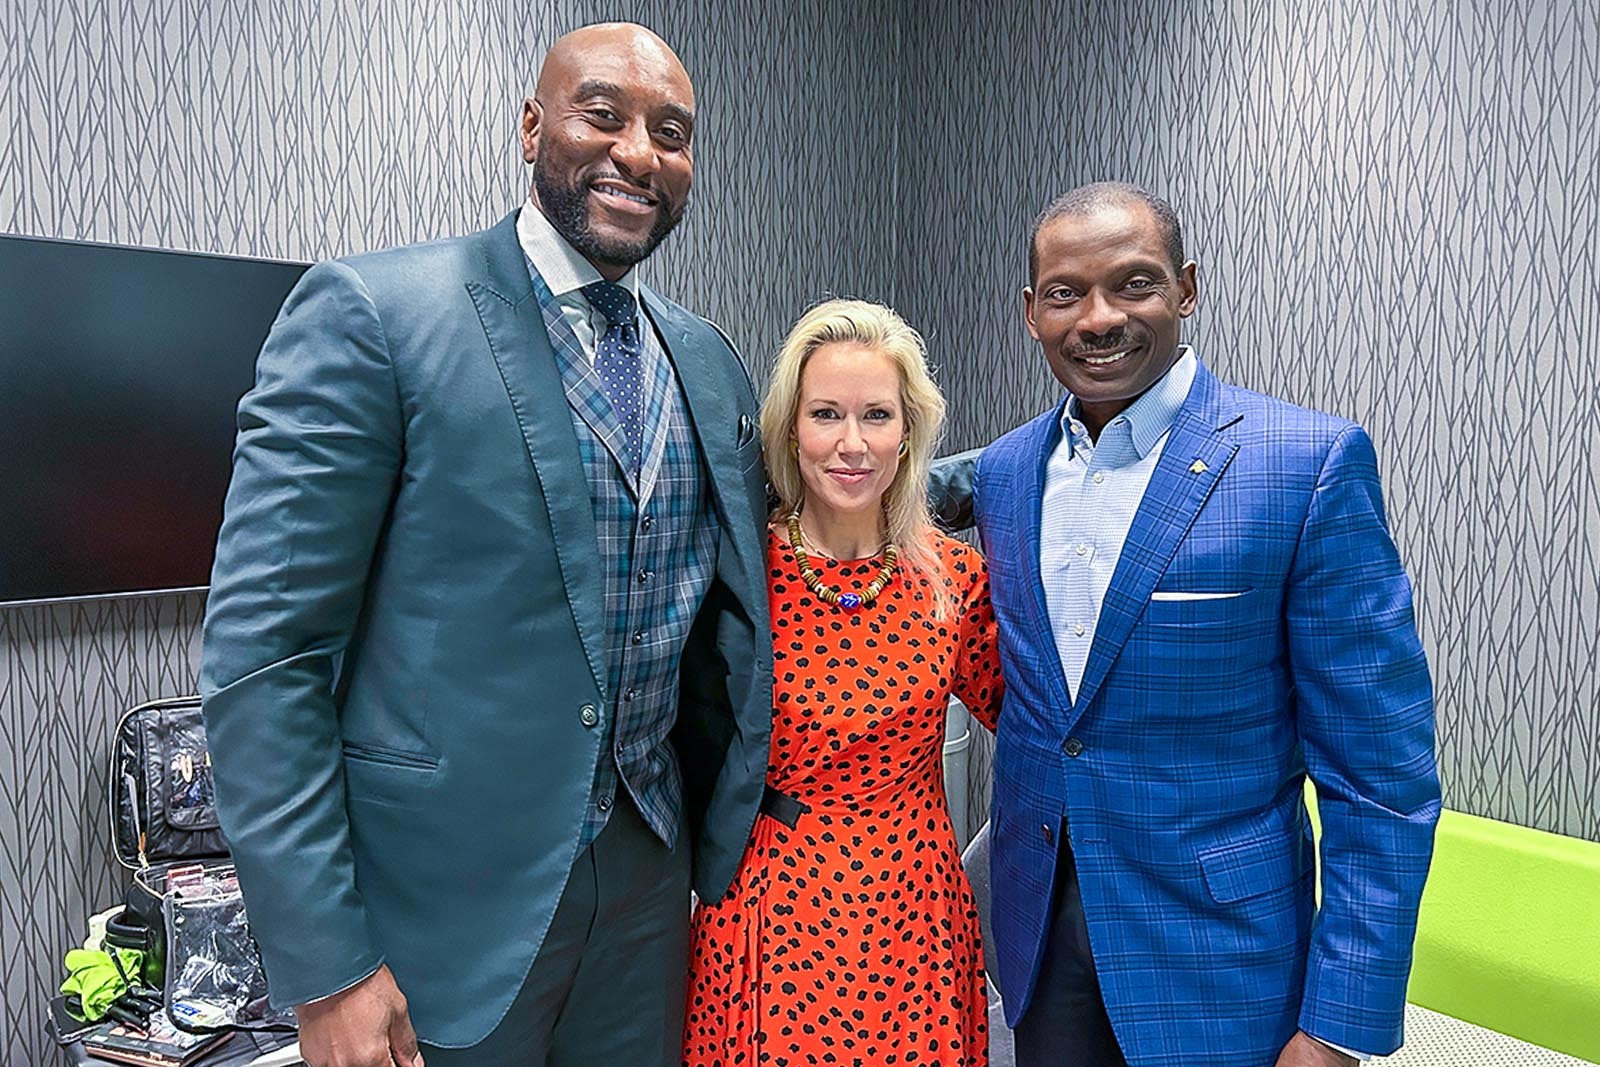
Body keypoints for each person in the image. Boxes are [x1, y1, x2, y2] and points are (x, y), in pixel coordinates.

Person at [200, 24, 774, 1067]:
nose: (637, 152)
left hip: (649, 884)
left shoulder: (710, 361)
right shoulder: (374, 314)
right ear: (530, 126)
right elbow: (266, 657)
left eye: (671, 132)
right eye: (603, 113)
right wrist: (325, 962)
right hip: (438, 909)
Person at [972, 183, 1440, 1067]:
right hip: (1038, 948)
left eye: (1135, 283)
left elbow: (1381, 779)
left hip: (1221, 963)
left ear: (1186, 287)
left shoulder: (1305, 466)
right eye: (1067, 293)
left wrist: (1341, 1023)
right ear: (1031, 313)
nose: (1099, 318)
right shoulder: (1004, 472)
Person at [683, 300, 1005, 1067]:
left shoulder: (952, 579)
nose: (851, 443)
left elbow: (1040, 727)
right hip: (773, 909)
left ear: (909, 431)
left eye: (877, 415)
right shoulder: (741, 572)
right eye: (826, 413)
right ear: (791, 429)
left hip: (915, 916)